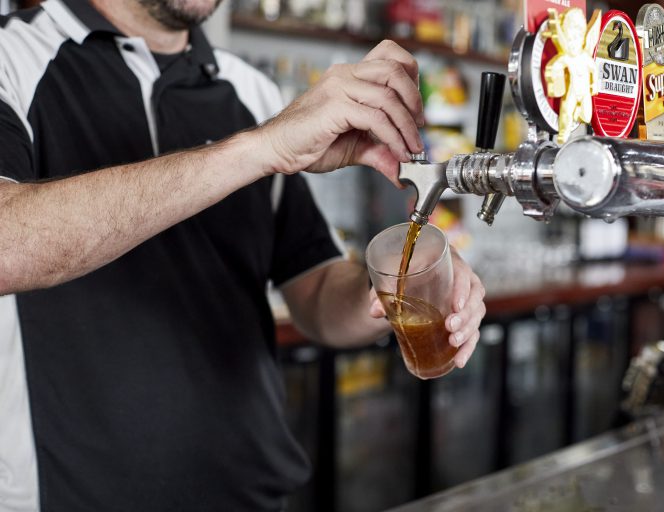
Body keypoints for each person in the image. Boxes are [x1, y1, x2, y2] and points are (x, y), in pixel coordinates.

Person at [0, 0, 487, 510]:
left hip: (249, 494)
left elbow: (316, 291)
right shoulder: (15, 56)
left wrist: (391, 289)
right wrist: (259, 148)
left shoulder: (250, 91)